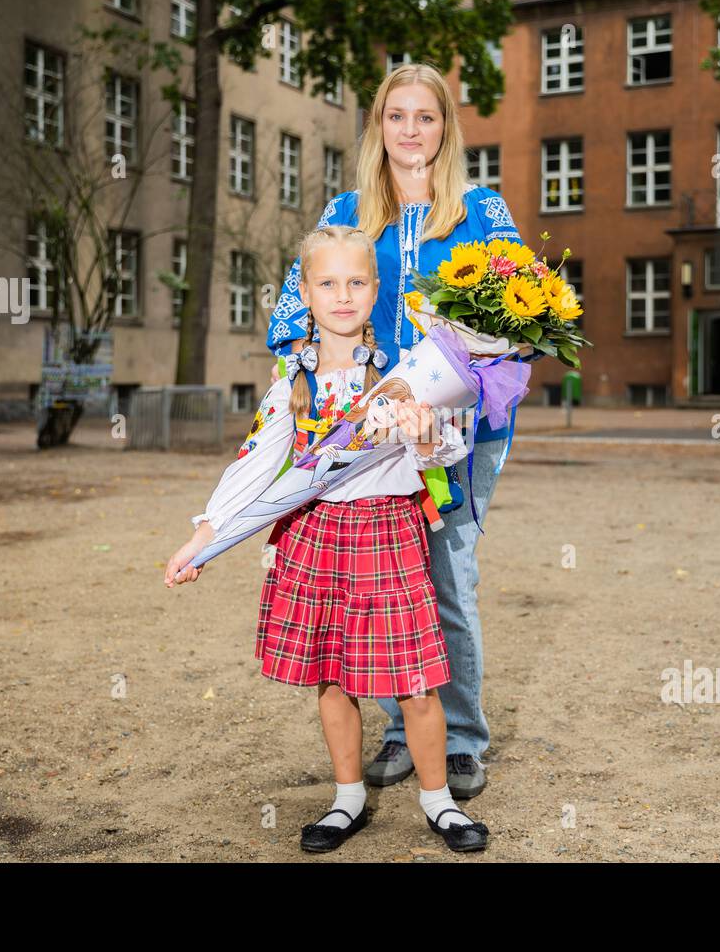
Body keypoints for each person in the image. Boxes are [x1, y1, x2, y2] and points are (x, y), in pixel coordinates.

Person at [166, 226, 489, 854]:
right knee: (333, 675)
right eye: (328, 283)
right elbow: (258, 459)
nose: (343, 296)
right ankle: (347, 798)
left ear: (375, 289)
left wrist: (424, 436)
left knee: (415, 678)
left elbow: (451, 446)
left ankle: (438, 801)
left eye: (357, 282)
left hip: (389, 533)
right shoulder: (294, 379)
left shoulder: (407, 365)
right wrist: (203, 536)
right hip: (315, 537)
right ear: (306, 294)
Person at [266, 62, 525, 799]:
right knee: (379, 584)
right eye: (397, 116)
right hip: (371, 428)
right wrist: (309, 376)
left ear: (447, 127)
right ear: (378, 125)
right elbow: (296, 306)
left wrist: (503, 343)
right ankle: (400, 731)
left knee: (446, 578)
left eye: (427, 117)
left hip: (461, 427)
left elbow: (527, 310)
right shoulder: (347, 211)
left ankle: (465, 738)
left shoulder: (482, 209)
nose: (411, 131)